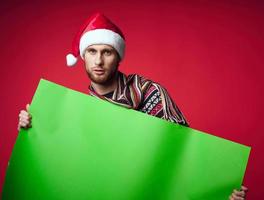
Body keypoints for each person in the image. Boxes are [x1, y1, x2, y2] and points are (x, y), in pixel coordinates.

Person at [17, 12, 248, 199]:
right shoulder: (75, 115)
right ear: (83, 56)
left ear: (118, 56)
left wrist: (220, 192)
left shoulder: (150, 93)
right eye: (92, 52)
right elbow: (58, 171)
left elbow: (182, 157)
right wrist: (31, 135)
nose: (98, 61)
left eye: (107, 52)